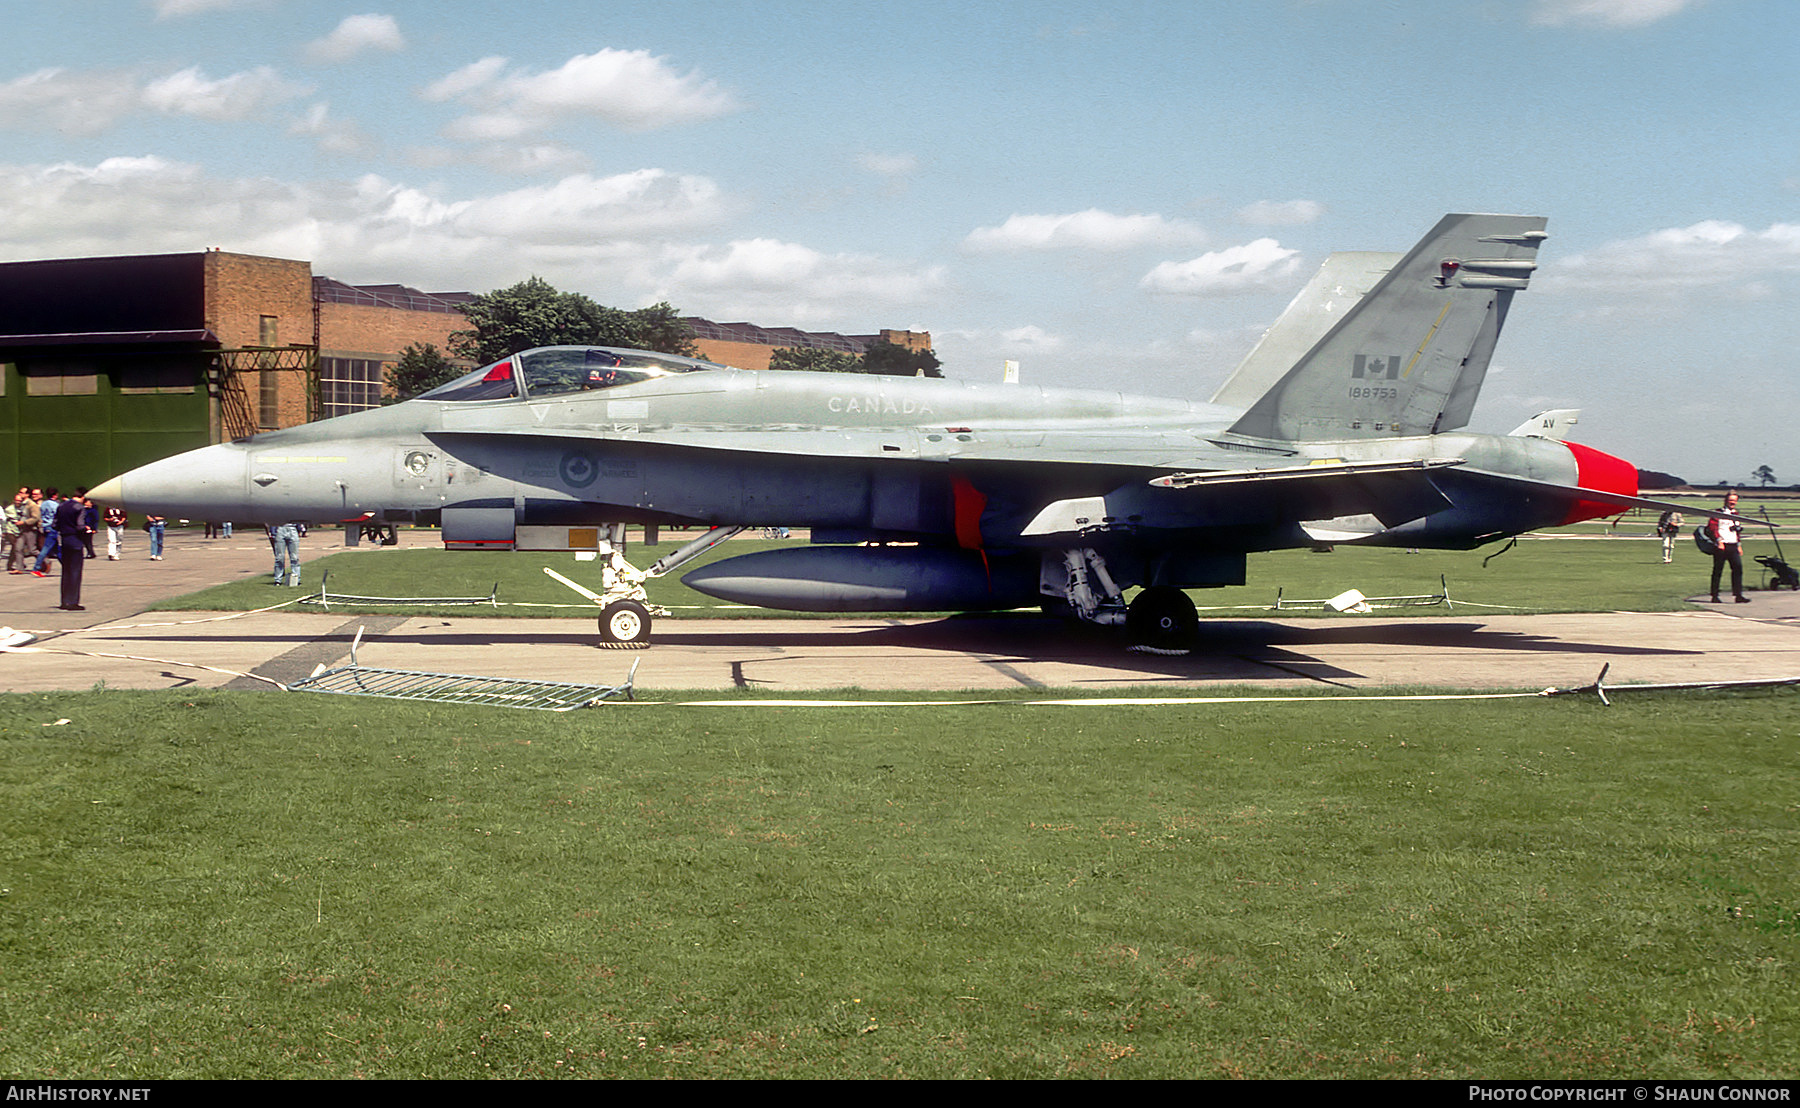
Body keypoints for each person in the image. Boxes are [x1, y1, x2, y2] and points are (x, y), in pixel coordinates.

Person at [1706, 492, 1749, 604]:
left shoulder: (1736, 514)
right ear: (1726, 500)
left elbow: (1737, 531)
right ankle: (1714, 595)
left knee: (1738, 569)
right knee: (1718, 570)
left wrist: (1739, 545)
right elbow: (1712, 528)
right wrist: (1718, 541)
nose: (1732, 502)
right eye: (1731, 500)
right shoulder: (1718, 513)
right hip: (1722, 545)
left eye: (1734, 500)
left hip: (1733, 545)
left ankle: (1738, 595)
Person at [54, 487, 93, 611]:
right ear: (83, 497)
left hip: (64, 539)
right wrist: (86, 530)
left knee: (66, 571)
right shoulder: (79, 508)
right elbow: (80, 525)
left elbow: (55, 524)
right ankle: (73, 601)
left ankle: (64, 601)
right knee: (75, 572)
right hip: (75, 540)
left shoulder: (61, 506)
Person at [269, 522, 301, 586]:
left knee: (294, 557)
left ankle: (296, 578)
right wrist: (273, 531)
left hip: (292, 528)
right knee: (279, 557)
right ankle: (278, 580)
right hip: (280, 528)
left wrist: (300, 528)